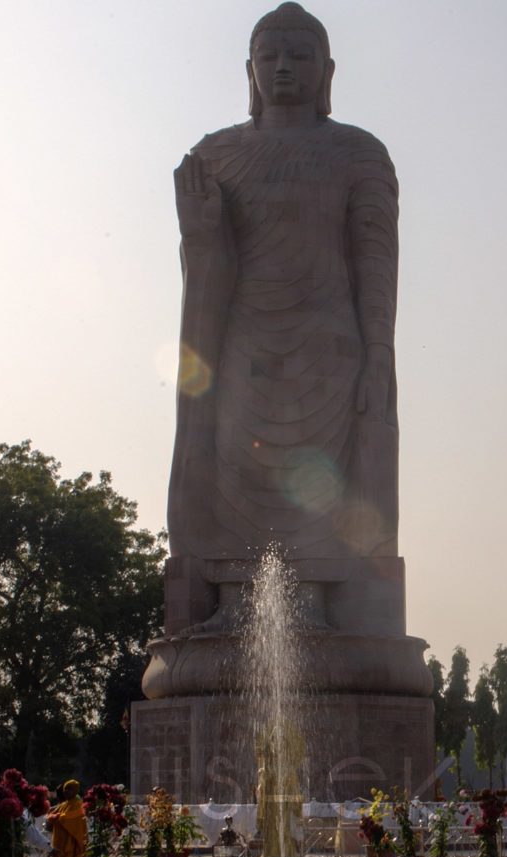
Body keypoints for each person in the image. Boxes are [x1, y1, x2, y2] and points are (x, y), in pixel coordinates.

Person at [168, 3, 399, 600]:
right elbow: (203, 268)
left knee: (323, 486)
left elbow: (376, 267)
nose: (283, 68)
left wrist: (379, 357)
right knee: (238, 466)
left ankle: (318, 608)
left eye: (299, 56)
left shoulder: (359, 154)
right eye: (269, 57)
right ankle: (237, 608)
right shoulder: (214, 156)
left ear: (327, 71)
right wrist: (200, 236)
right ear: (250, 70)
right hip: (243, 346)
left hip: (328, 352)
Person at [47, 779, 87, 857]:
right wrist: (52, 817)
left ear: (75, 790)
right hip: (60, 846)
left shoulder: (78, 804)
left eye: (69, 789)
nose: (66, 792)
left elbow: (67, 818)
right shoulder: (64, 805)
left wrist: (55, 818)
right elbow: (52, 816)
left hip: (72, 847)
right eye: (65, 789)